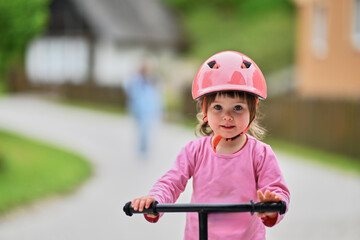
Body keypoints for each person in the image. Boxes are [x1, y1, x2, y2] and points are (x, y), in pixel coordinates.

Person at [131, 51, 290, 239]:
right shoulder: (194, 151)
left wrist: (272, 206)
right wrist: (155, 201)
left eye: (238, 108)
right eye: (218, 108)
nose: (227, 116)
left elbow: (277, 191)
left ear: (252, 111)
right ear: (205, 110)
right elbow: (171, 182)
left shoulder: (260, 154)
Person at [126, 61, 162, 157]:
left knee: (145, 129)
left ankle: (144, 149)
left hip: (149, 109)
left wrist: (160, 109)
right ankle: (142, 148)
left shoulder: (152, 81)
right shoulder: (136, 80)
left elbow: (157, 96)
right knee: (141, 129)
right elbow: (128, 89)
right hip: (138, 109)